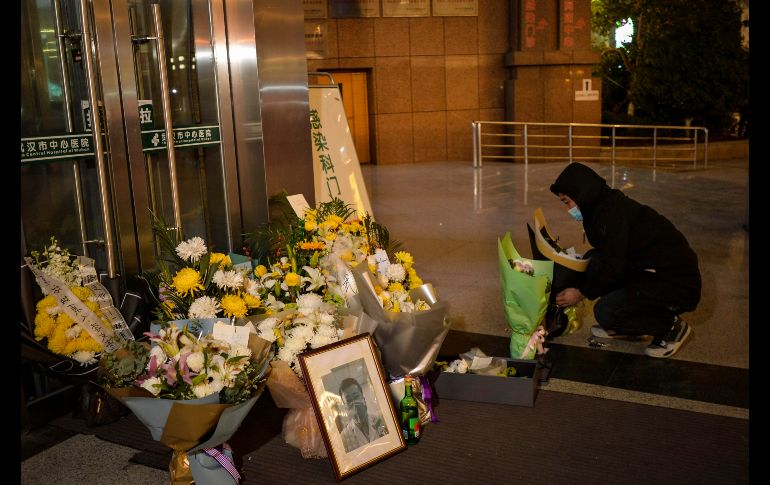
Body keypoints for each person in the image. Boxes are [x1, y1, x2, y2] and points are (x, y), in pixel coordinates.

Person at [550, 162, 701, 358]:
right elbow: (608, 257)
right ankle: (625, 327)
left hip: (675, 282)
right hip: (650, 269)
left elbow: (613, 267)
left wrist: (580, 293)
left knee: (606, 311)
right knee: (592, 261)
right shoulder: (601, 207)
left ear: (582, 194)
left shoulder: (611, 215)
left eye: (567, 202)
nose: (568, 209)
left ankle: (671, 326)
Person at [338, 378, 388, 453]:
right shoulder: (343, 438)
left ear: (364, 399)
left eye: (356, 396)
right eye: (349, 401)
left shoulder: (383, 419)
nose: (354, 403)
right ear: (345, 408)